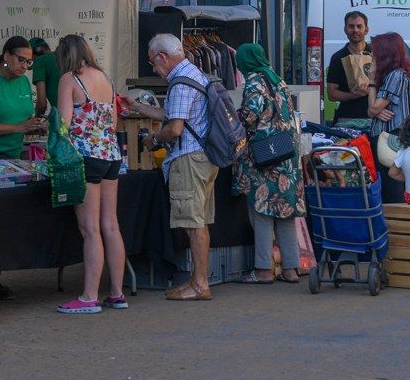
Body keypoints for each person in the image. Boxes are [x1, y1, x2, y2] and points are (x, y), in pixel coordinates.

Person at [123, 33, 217, 301]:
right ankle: (199, 280)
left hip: (188, 159)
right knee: (198, 221)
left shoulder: (179, 83)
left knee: (193, 223)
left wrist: (153, 139)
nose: (154, 69)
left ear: (163, 57)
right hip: (204, 157)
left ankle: (200, 284)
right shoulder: (194, 74)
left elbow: (174, 129)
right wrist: (138, 106)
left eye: (153, 63)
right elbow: (173, 115)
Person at [53, 34, 127, 314]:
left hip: (84, 157)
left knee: (90, 229)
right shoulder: (105, 79)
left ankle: (89, 296)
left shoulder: (70, 80)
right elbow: (113, 121)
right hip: (110, 155)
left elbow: (63, 124)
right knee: (111, 225)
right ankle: (117, 293)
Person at [232, 43, 305, 284]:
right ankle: (291, 268)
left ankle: (264, 269)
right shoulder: (278, 81)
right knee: (285, 212)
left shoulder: (254, 82)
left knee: (262, 208)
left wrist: (231, 116)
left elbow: (250, 116)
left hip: (265, 156)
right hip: (286, 155)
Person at [367, 32, 410, 138]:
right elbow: (371, 111)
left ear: (384, 53)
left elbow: (373, 109)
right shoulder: (392, 75)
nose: (372, 54)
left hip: (392, 137)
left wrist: (372, 79)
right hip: (389, 136)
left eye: (375, 51)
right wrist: (377, 111)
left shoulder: (395, 75)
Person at [326, 11, 372, 127]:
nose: (355, 30)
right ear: (345, 29)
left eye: (359, 26)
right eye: (351, 26)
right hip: (347, 119)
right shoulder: (337, 57)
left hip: (374, 118)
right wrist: (353, 95)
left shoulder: (376, 54)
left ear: (366, 30)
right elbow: (331, 94)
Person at [29, 37, 61, 117]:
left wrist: (36, 120)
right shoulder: (60, 56)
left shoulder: (40, 61)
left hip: (63, 116)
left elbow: (42, 103)